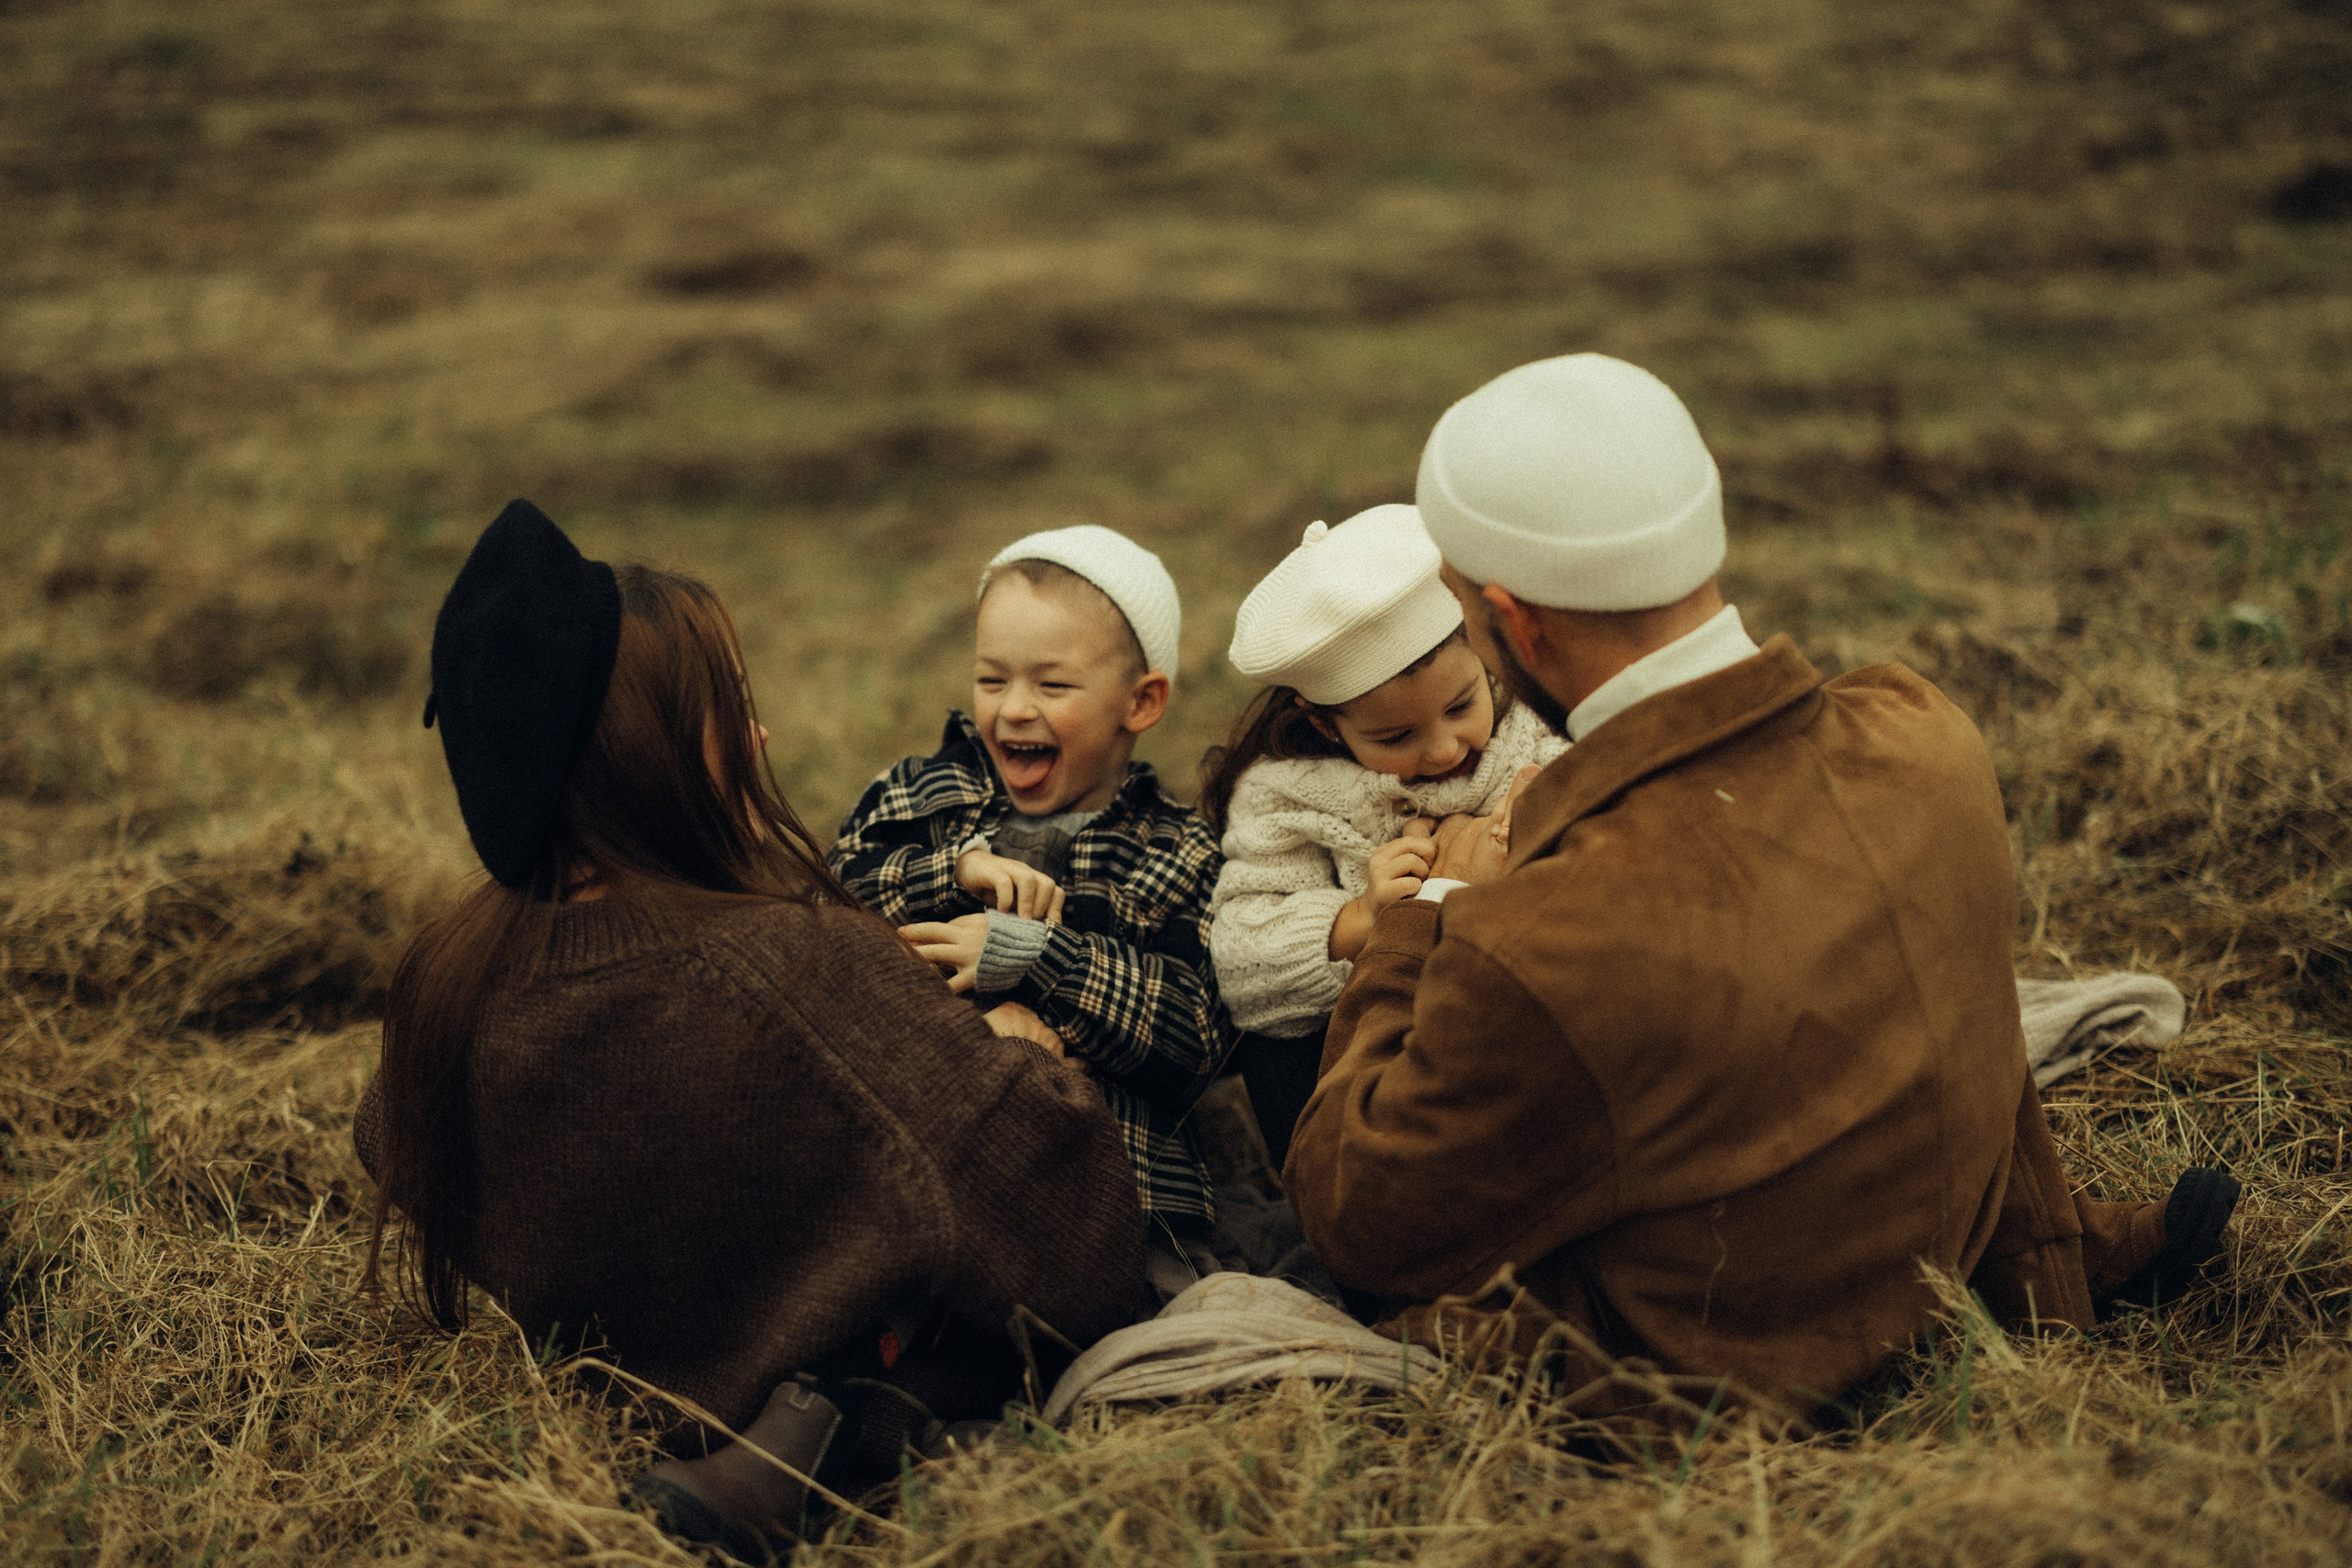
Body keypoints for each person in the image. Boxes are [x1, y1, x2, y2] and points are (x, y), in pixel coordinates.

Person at [1283, 355, 2240, 1426]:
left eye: (1460, 609)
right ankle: (2049, 1264)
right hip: (1930, 1269)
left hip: (1709, 1372)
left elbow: (1361, 1220)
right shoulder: (1926, 733)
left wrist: (1423, 920)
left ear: (1518, 619)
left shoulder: (1544, 938)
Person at [356, 501, 1145, 1560]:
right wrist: (1021, 1053)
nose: (766, 734)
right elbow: (1079, 1256)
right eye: (732, 704)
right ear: (647, 747)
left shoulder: (445, 978)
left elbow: (387, 1144)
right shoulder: (798, 971)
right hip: (832, 1381)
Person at [827, 525, 1236, 1254]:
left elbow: (1193, 1036)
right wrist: (948, 870)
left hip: (1104, 1193)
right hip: (914, 1156)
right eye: (992, 679)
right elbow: (825, 910)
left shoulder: (1178, 850)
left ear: (1140, 702)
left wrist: (1034, 957)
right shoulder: (918, 795)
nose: (1014, 708)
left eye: (1053, 684)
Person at [1199, 504, 1566, 1168]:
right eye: (1395, 737)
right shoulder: (1287, 795)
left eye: (1462, 705)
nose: (1445, 747)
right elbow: (1242, 961)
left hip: (1516, 1034)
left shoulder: (1534, 731)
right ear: (1324, 722)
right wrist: (1359, 919)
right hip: (1374, 1070)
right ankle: (1345, 1196)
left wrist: (1545, 819)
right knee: (1276, 1037)